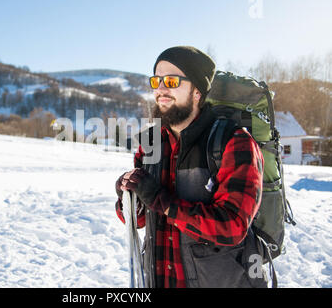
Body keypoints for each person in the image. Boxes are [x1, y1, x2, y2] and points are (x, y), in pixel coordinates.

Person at [114, 46, 267, 288]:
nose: (161, 89)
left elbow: (231, 226)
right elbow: (140, 221)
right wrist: (129, 196)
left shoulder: (232, 141)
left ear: (197, 91)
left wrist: (161, 200)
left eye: (172, 81)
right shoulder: (150, 142)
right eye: (157, 80)